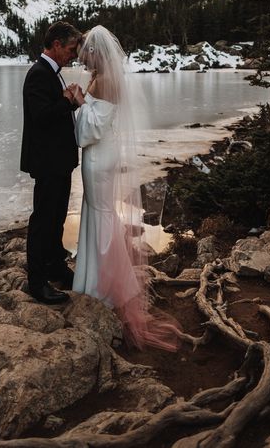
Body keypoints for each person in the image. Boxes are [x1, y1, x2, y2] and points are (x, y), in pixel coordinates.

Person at [69, 25, 181, 351]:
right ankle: (99, 280)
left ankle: (103, 285)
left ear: (97, 53)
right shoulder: (103, 79)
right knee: (97, 212)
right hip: (101, 154)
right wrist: (84, 101)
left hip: (98, 155)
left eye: (86, 51)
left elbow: (92, 129)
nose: (81, 55)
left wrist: (78, 104)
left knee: (101, 213)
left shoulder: (103, 81)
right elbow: (98, 118)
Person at [20, 21, 82, 304]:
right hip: (47, 162)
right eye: (70, 49)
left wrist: (66, 99)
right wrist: (68, 101)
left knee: (57, 218)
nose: (73, 55)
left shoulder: (51, 72)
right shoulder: (38, 74)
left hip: (59, 160)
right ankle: (36, 282)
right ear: (56, 44)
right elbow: (41, 117)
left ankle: (55, 266)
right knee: (42, 221)